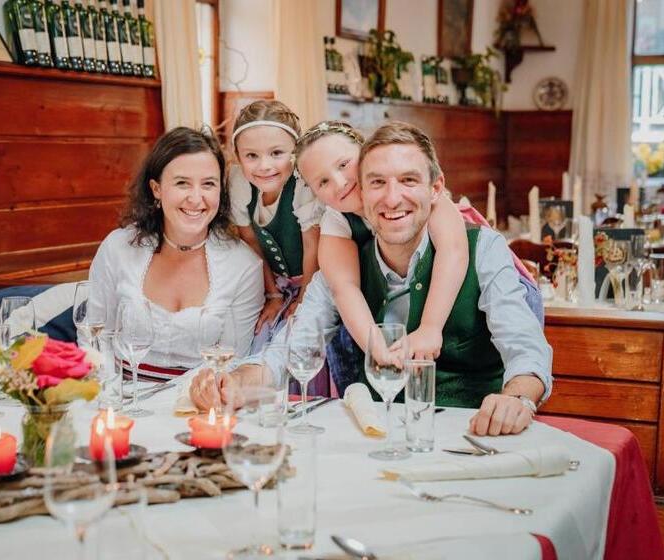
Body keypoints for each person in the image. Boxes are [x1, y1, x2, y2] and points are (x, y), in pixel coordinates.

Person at [191, 122, 552, 437]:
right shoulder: (340, 255)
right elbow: (289, 351)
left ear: (435, 187)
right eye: (377, 183)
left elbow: (525, 349)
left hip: (469, 435)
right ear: (362, 189)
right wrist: (237, 382)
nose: (392, 198)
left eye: (408, 180)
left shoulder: (479, 247)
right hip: (373, 440)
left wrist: (517, 398)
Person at [89, 127, 264, 378]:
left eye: (208, 184)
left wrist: (177, 398)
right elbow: (95, 338)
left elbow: (233, 362)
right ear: (156, 189)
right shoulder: (118, 247)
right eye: (182, 183)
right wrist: (110, 393)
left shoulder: (244, 265)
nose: (196, 198)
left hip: (198, 398)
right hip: (121, 395)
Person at [295, 121, 470, 364]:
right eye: (323, 182)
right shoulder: (336, 221)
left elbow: (453, 250)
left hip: (456, 293)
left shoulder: (421, 200)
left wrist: (430, 327)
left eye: (343, 165)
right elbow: (344, 288)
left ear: (366, 151)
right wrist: (377, 351)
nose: (340, 182)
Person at [228, 100, 323, 341]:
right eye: (251, 155)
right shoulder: (239, 183)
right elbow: (250, 241)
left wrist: (303, 299)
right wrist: (273, 295)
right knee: (259, 334)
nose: (264, 166)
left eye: (277, 153)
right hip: (273, 281)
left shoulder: (302, 184)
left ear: (296, 152)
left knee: (298, 336)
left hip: (314, 281)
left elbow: (312, 246)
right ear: (237, 156)